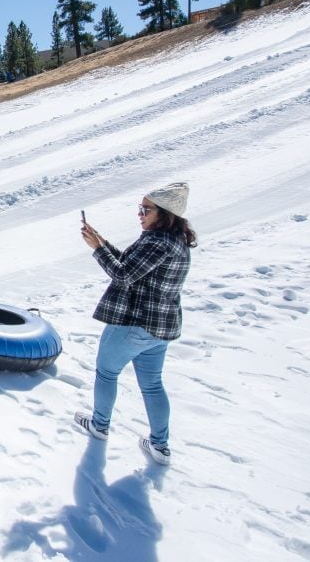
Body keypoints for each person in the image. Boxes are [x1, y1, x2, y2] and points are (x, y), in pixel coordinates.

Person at [73, 182, 197, 465]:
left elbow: (123, 275)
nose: (140, 214)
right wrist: (102, 244)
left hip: (134, 323)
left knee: (106, 373)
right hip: (160, 328)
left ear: (164, 213)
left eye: (146, 209)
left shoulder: (156, 242)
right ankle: (159, 445)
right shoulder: (173, 240)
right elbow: (133, 266)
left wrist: (97, 250)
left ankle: (100, 426)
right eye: (139, 208)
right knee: (152, 385)